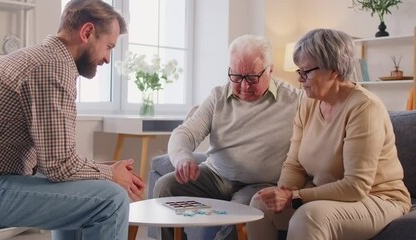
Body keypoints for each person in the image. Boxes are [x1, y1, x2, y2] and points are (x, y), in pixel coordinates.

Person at [0, 1, 145, 240]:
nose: (108, 59)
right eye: (108, 46)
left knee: (87, 189)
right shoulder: (51, 67)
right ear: (87, 32)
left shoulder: (41, 59)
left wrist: (104, 170)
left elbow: (54, 163)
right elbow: (60, 166)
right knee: (111, 199)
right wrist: (110, 175)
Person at [246, 28, 411, 240]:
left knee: (308, 217)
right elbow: (294, 164)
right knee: (260, 203)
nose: (300, 79)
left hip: (378, 198)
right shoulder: (308, 104)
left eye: (306, 72)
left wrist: (295, 196)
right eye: (299, 72)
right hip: (327, 195)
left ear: (333, 70)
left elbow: (355, 186)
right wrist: (283, 192)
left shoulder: (364, 108)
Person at [153, 34, 304, 240]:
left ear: (270, 70)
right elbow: (185, 133)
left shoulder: (296, 101)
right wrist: (183, 158)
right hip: (215, 175)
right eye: (236, 77)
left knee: (240, 213)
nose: (243, 86)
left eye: (252, 78)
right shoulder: (218, 96)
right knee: (165, 186)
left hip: (260, 183)